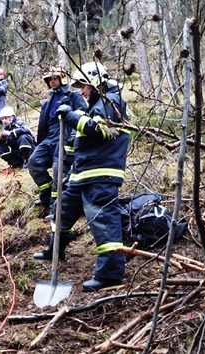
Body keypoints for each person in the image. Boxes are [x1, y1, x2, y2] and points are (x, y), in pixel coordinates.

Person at [32, 61, 131, 292]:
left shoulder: (111, 101)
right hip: (82, 173)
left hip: (101, 174)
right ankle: (55, 251)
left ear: (96, 82)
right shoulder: (95, 104)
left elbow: (99, 130)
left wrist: (71, 117)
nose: (81, 91)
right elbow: (79, 138)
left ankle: (109, 275)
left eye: (84, 86)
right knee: (62, 210)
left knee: (104, 223)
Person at [27, 67, 87, 215]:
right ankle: (46, 196)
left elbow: (83, 116)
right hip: (49, 138)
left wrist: (73, 135)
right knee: (33, 162)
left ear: (61, 78)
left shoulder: (73, 96)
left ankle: (56, 208)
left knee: (59, 171)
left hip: (64, 138)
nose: (52, 81)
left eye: (55, 78)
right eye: (49, 79)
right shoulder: (47, 101)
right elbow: (43, 124)